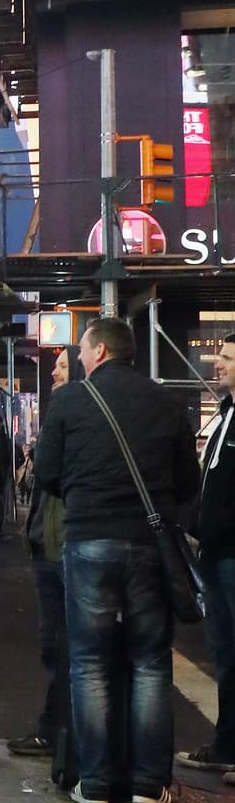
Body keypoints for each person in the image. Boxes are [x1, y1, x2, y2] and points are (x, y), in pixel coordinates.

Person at [34, 318, 200, 803]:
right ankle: (150, 784)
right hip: (149, 546)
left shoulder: (68, 401)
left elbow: (47, 473)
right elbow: (186, 482)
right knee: (150, 662)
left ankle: (97, 784)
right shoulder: (168, 403)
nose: (80, 359)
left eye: (83, 351)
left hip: (88, 540)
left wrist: (86, 496)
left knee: (90, 663)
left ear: (101, 351)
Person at [8, 346, 85, 758]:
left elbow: (54, 476)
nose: (53, 374)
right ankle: (56, 729)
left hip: (64, 547)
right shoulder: (62, 415)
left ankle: (64, 734)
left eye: (60, 367)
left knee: (67, 644)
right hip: (47, 543)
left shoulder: (80, 419)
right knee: (54, 643)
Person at [177, 332, 235, 776]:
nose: (217, 364)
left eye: (227, 357)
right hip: (215, 552)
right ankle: (226, 743)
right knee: (224, 650)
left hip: (231, 553)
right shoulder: (225, 413)